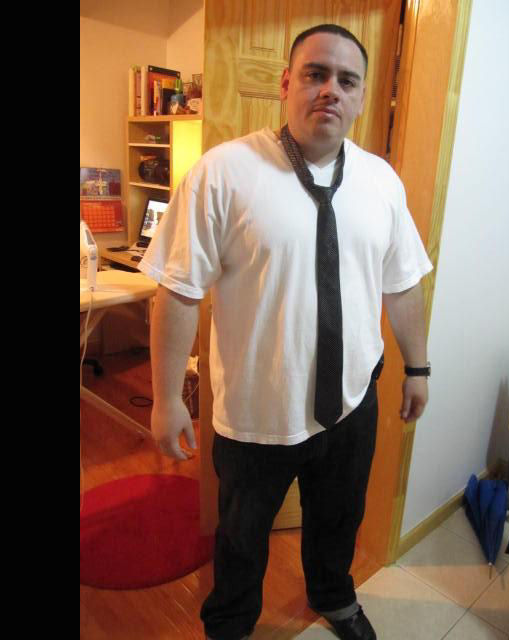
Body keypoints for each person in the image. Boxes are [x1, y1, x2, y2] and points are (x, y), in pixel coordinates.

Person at [139, 23, 432, 640]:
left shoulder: (381, 181)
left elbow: (403, 283)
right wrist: (166, 399)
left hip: (351, 402)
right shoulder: (223, 173)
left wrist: (418, 366)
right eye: (315, 74)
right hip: (257, 413)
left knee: (339, 519)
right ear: (285, 84)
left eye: (346, 80)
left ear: (361, 95)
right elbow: (178, 290)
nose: (330, 90)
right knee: (241, 537)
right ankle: (230, 624)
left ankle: (335, 597)